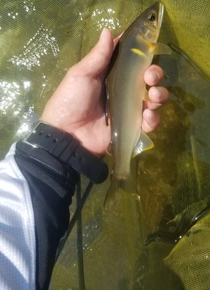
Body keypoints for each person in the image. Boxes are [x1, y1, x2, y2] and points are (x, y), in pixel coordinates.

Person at [0, 28, 169, 290]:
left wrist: (57, 143)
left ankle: (121, 173)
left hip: (42, 165)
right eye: (152, 21)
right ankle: (121, 175)